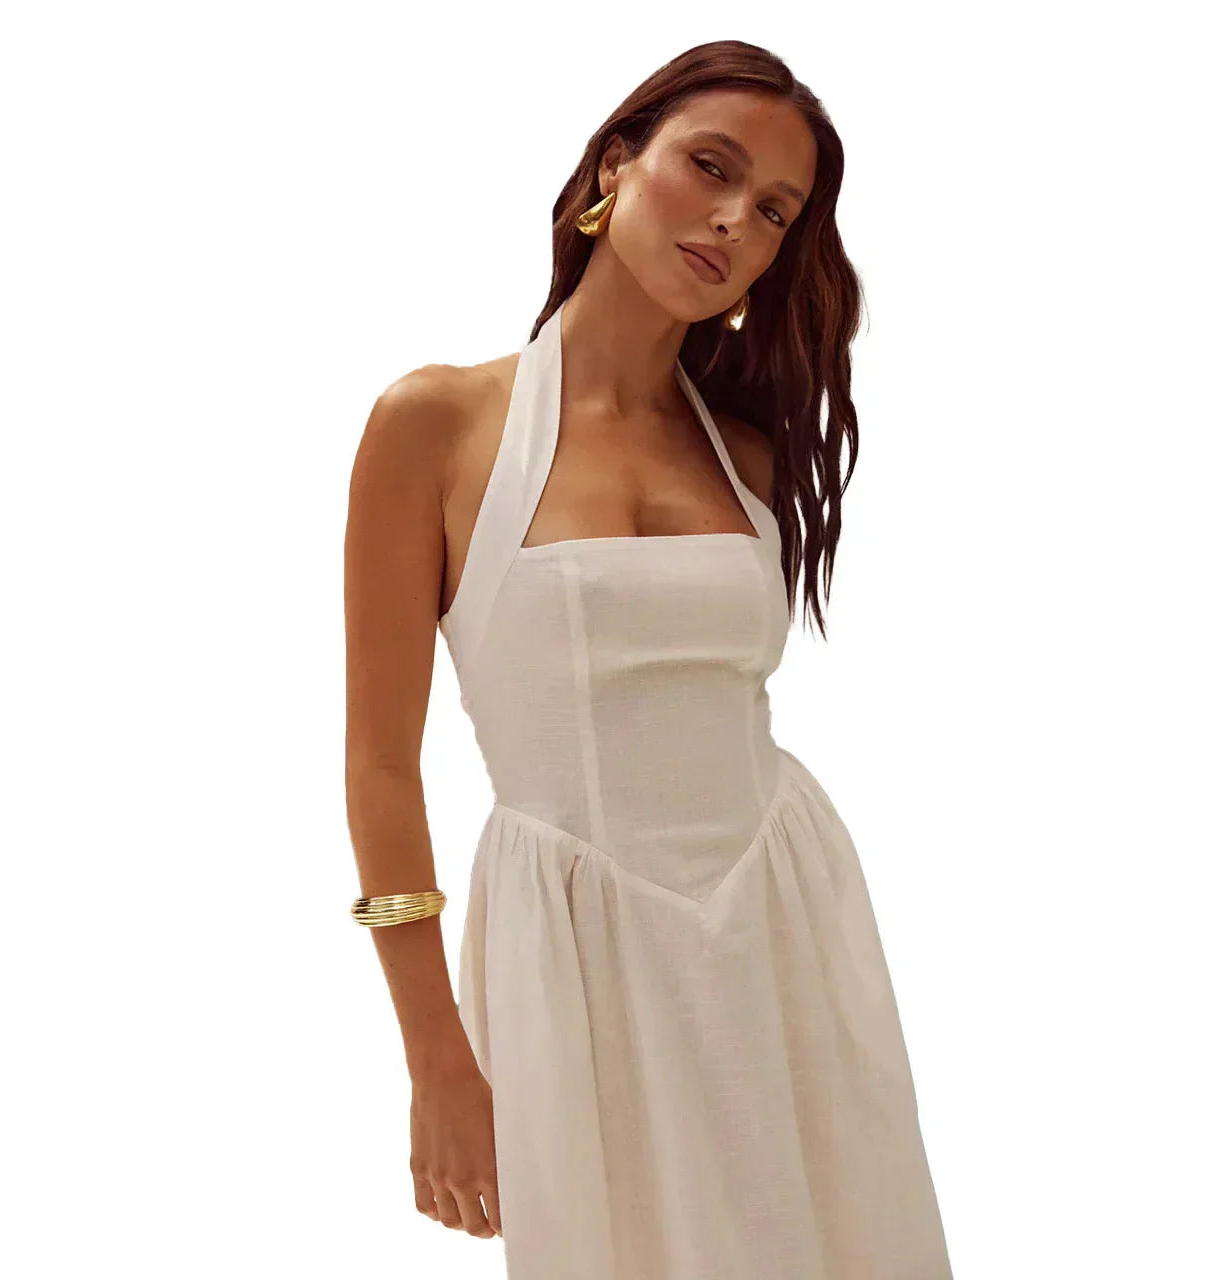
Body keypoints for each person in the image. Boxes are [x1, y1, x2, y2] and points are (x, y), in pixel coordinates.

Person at [344, 38, 953, 1280]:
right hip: (571, 948)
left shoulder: (750, 454)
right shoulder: (437, 423)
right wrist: (436, 1057)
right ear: (613, 167)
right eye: (710, 167)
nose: (733, 219)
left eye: (772, 210)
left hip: (784, 918)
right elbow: (378, 767)